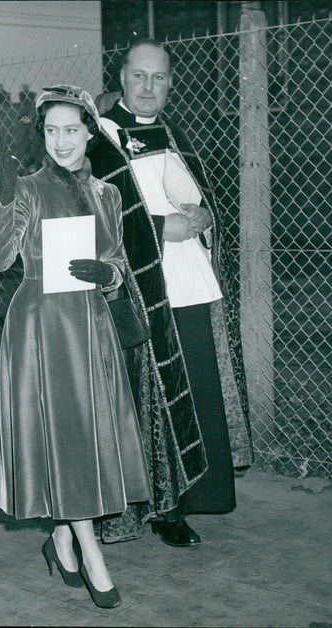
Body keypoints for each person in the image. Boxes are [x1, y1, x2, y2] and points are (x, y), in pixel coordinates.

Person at [0, 85, 151, 608]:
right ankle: (89, 547)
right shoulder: (29, 188)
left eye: (71, 129)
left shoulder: (109, 194)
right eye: (51, 130)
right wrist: (6, 202)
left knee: (85, 440)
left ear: (89, 132)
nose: (61, 140)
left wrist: (110, 275)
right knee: (67, 439)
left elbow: (118, 262)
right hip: (41, 327)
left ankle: (61, 535)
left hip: (92, 327)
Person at [88, 40, 254, 547]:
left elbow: (194, 194)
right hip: (139, 289)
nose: (147, 88)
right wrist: (162, 228)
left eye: (158, 78)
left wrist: (204, 216)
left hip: (189, 280)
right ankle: (158, 508)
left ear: (170, 83)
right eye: (139, 76)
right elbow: (92, 215)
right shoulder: (99, 140)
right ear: (121, 77)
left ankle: (190, 499)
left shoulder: (171, 130)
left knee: (198, 388)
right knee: (152, 398)